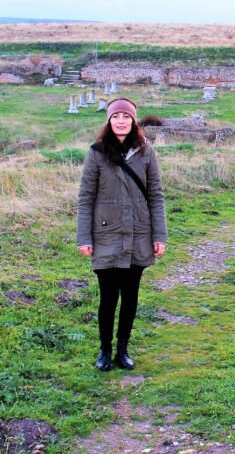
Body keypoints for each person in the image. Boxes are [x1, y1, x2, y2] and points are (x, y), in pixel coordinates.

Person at [77, 97, 168, 372]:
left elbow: (156, 195)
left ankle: (123, 349)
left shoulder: (145, 152)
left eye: (126, 117)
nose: (121, 121)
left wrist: (159, 235)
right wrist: (84, 238)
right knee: (108, 298)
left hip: (139, 234)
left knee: (130, 297)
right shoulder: (96, 153)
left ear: (133, 121)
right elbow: (85, 198)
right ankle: (104, 350)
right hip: (106, 235)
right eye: (116, 117)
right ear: (109, 120)